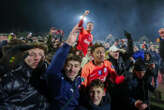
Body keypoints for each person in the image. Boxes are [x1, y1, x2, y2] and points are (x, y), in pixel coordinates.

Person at [0, 42, 49, 110]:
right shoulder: (11, 76)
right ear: (24, 56)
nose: (37, 58)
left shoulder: (47, 76)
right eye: (32, 54)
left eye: (40, 55)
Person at [46, 24, 82, 110]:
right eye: (69, 65)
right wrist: (68, 43)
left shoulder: (79, 81)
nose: (72, 69)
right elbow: (52, 71)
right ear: (64, 66)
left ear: (80, 68)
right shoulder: (58, 80)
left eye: (76, 66)